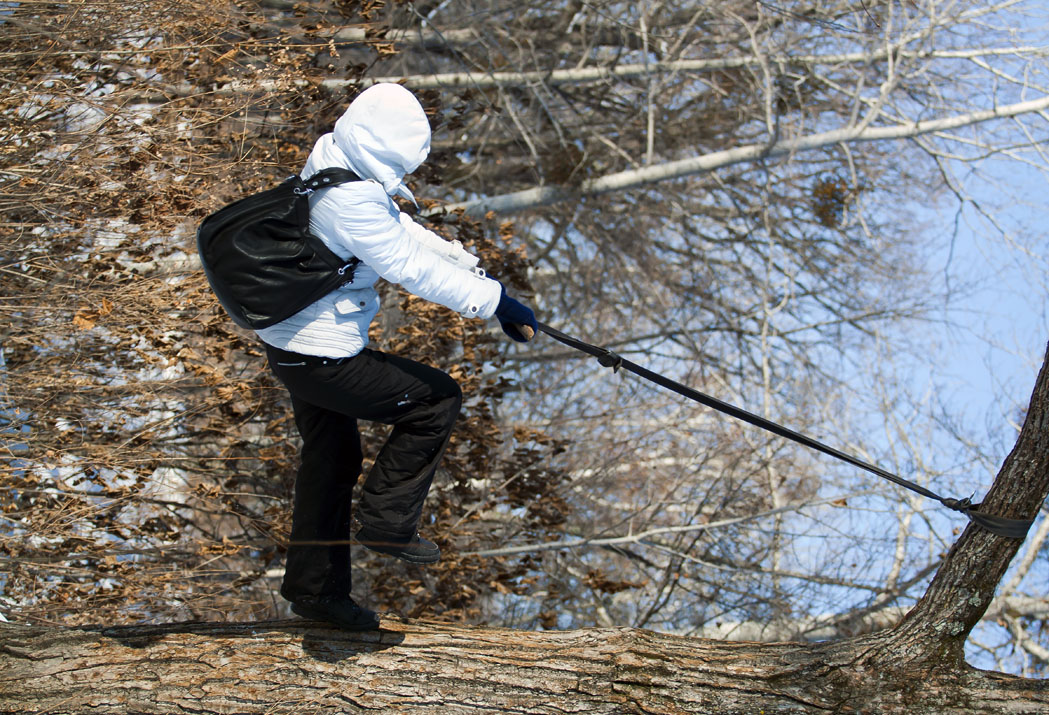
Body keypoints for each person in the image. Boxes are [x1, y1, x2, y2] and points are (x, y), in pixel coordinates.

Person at [255, 83, 537, 630]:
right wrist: (495, 301)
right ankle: (386, 523)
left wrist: (466, 263)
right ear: (385, 151)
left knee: (331, 459)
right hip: (320, 356)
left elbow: (400, 229)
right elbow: (408, 265)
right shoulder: (350, 200)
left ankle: (316, 592)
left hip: (294, 345)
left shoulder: (333, 159)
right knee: (435, 401)